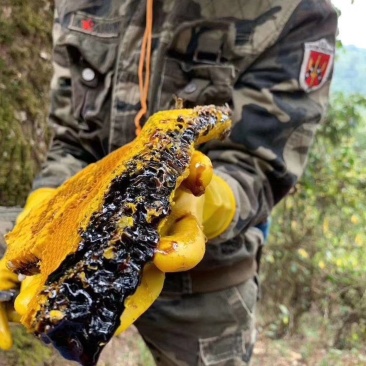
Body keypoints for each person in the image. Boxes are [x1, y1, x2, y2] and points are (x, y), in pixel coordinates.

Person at [0, 0, 337, 365]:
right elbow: (73, 140)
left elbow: (260, 164)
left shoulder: (298, 12)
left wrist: (207, 204)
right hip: (79, 252)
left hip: (206, 282)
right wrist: (45, 208)